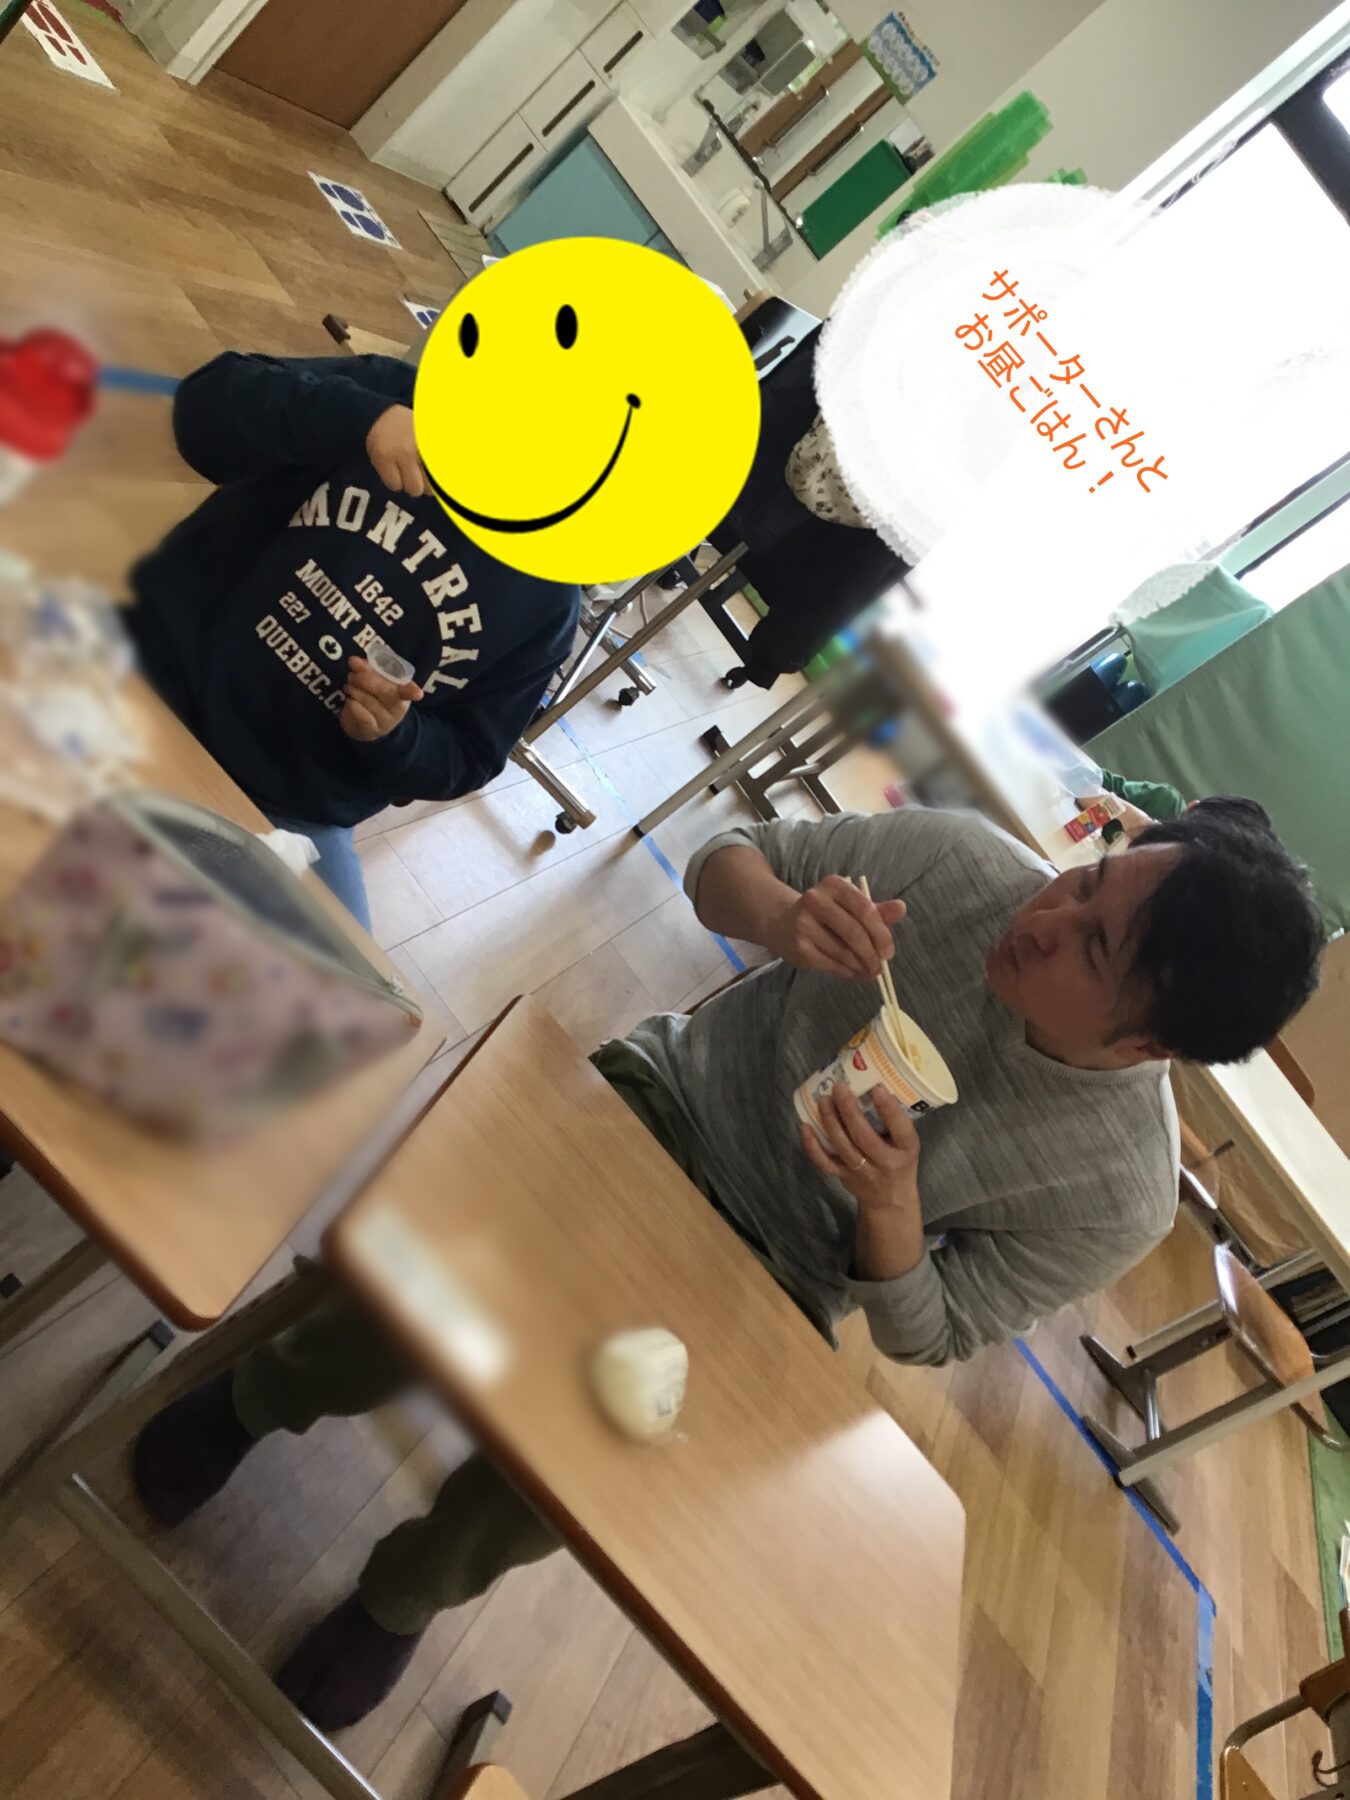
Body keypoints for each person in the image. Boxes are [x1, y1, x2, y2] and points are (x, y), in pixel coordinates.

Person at [131, 796, 1323, 1728]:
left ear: (1147, 1043)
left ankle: (405, 1593)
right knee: (449, 1285)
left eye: (1092, 946)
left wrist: (890, 1214)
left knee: (605, 1443)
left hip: (786, 1274)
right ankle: (257, 1395)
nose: (1047, 914)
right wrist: (780, 914)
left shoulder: (1116, 1190)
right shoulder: (964, 864)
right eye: (1089, 876)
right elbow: (727, 856)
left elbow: (935, 1331)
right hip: (674, 1098)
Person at [125, 352, 580, 928]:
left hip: (290, 802)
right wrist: (358, 418)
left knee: (331, 981)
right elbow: (203, 405)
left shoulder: (551, 602)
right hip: (155, 675)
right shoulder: (400, 398)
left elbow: (472, 755)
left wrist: (397, 737)